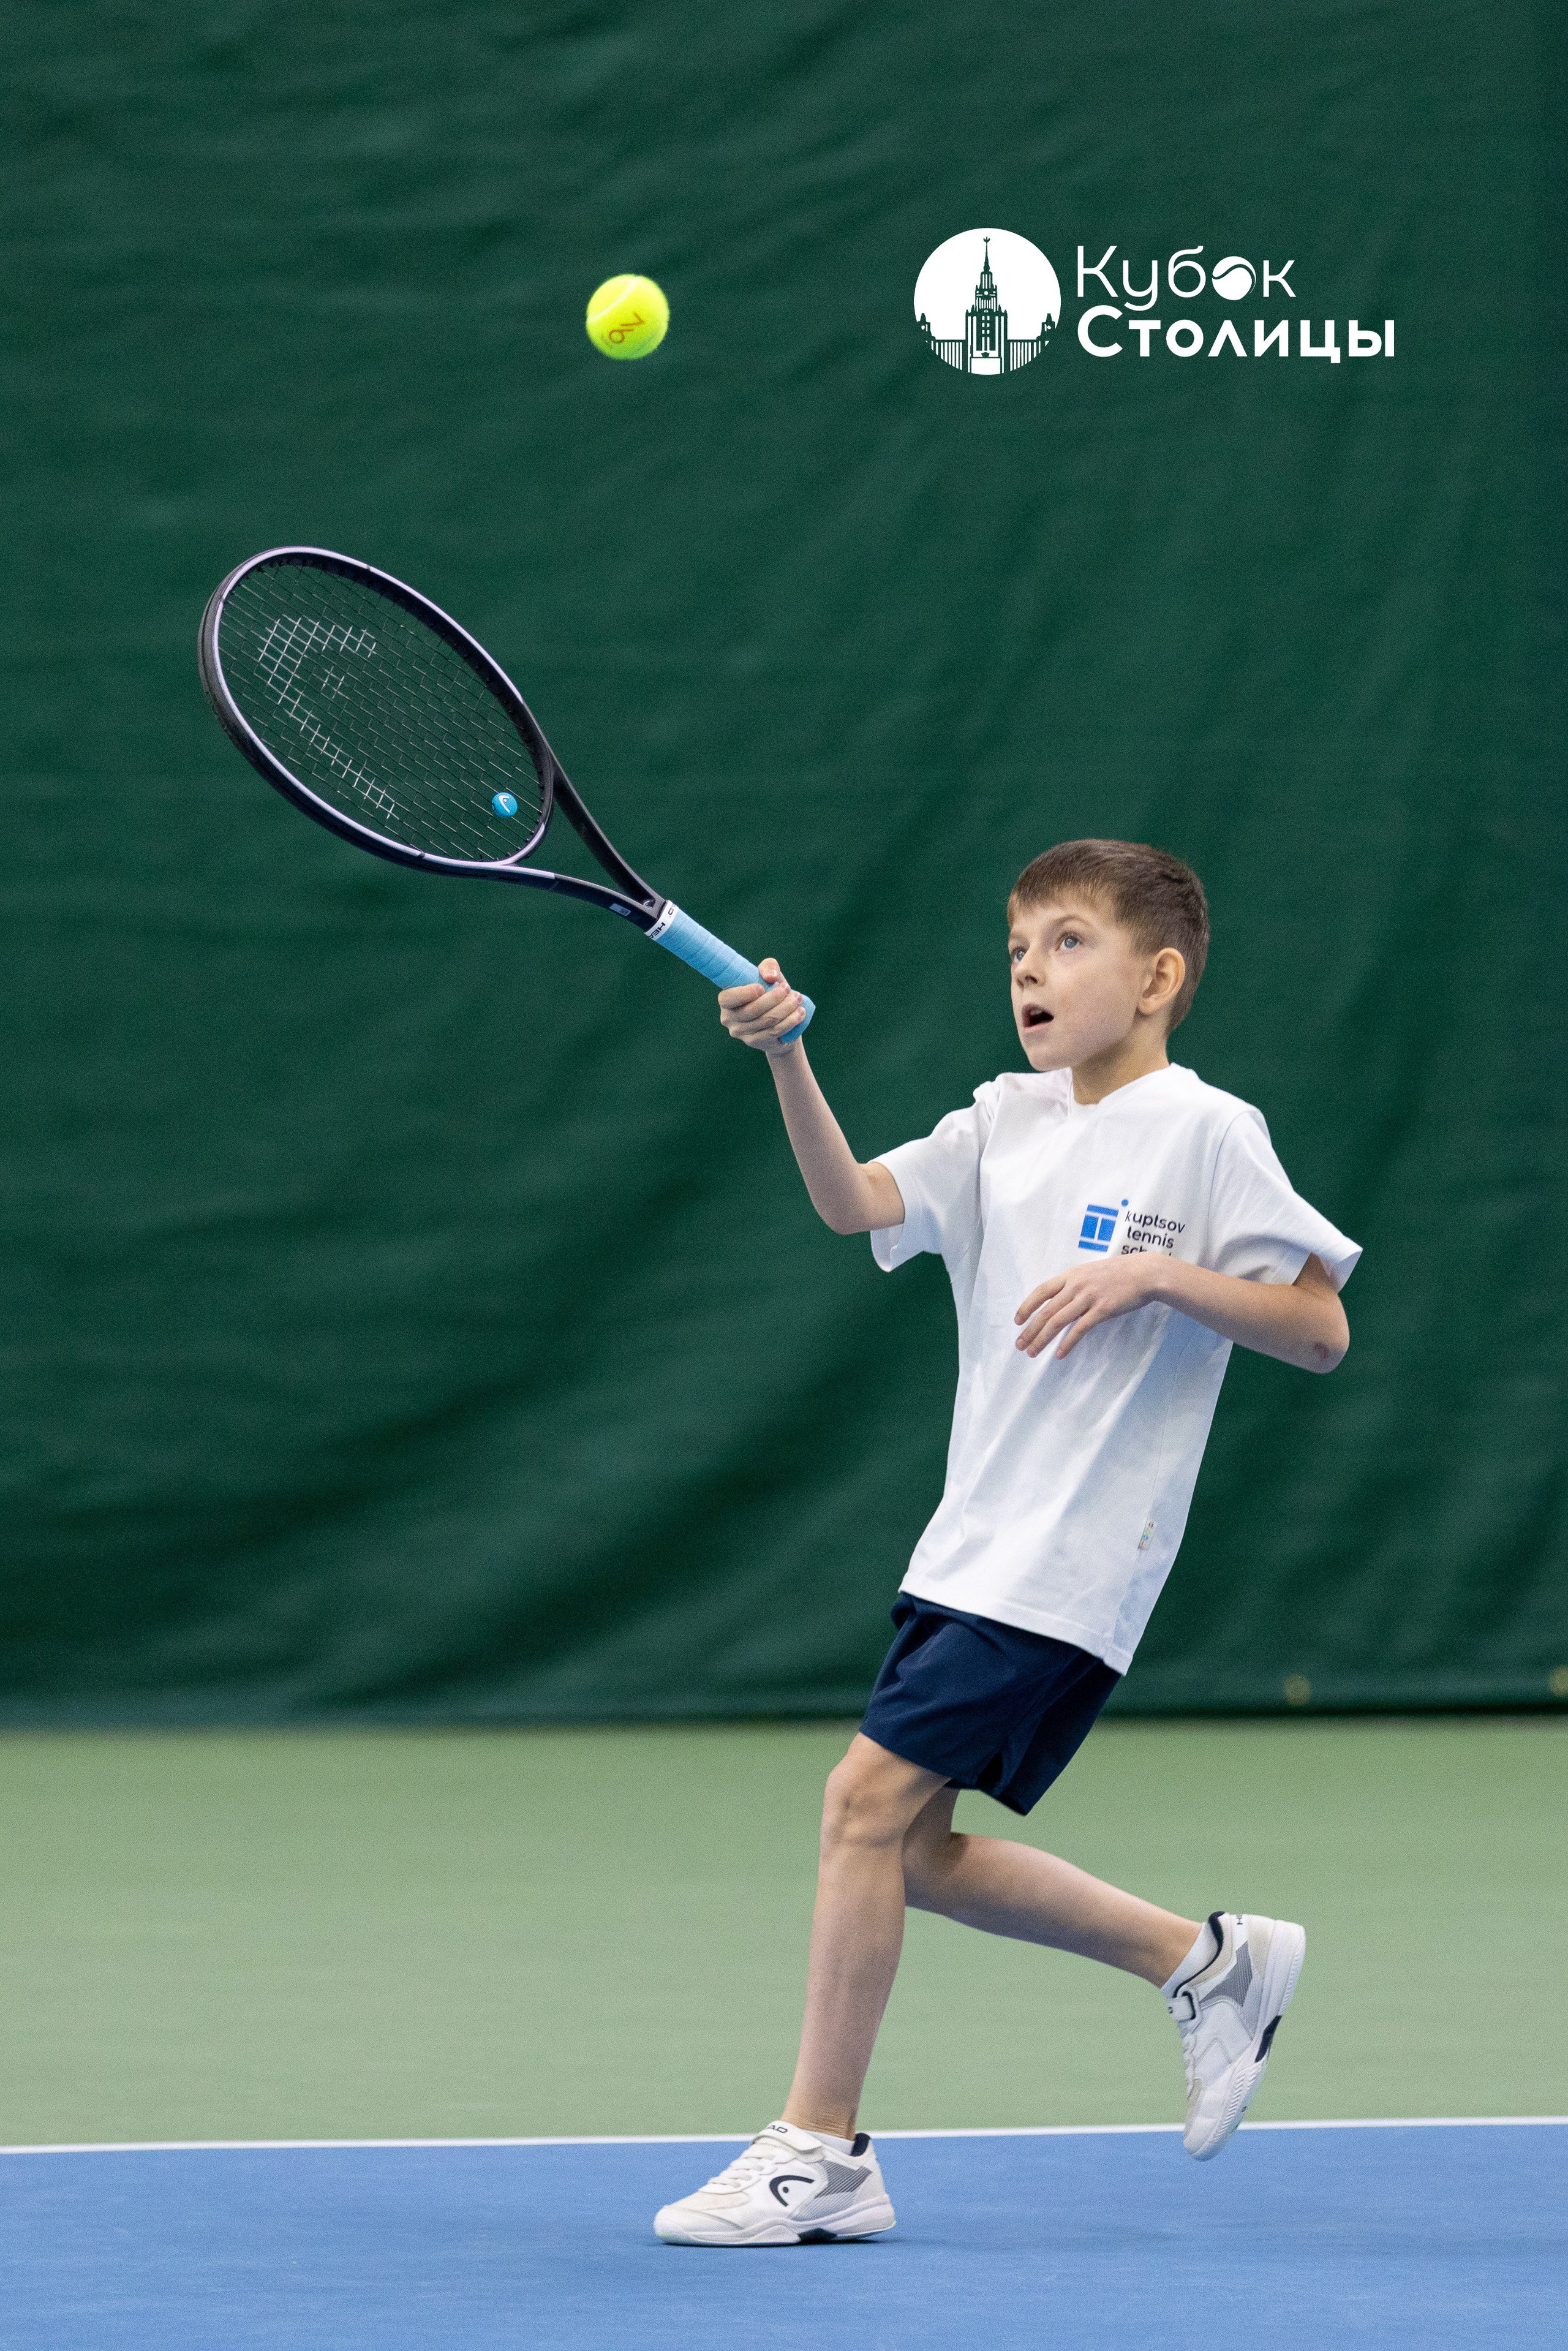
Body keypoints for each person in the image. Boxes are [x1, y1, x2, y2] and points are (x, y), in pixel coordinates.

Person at [654, 839, 1359, 2248]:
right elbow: (852, 1201)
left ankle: (819, 2148)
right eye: (1018, 945)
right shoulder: (998, 1121)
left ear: (1155, 976)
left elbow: (1320, 1330)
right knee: (903, 1847)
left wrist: (1160, 1270)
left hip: (1076, 1557)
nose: (1030, 967)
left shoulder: (1207, 1129)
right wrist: (787, 1055)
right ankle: (1202, 1959)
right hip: (965, 1546)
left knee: (858, 1804)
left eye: (1067, 940)